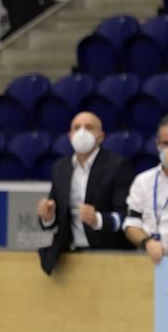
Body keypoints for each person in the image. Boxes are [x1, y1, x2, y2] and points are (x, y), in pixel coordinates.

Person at [37, 111, 134, 275]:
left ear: (100, 136)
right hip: (68, 255)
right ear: (70, 135)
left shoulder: (118, 166)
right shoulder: (60, 168)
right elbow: (55, 221)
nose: (81, 132)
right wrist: (48, 216)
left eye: (88, 127)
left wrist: (98, 219)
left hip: (108, 253)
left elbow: (126, 216)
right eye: (77, 128)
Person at [123, 115, 168, 265]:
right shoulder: (143, 181)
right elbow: (131, 223)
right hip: (147, 261)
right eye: (166, 144)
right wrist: (147, 242)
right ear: (158, 145)